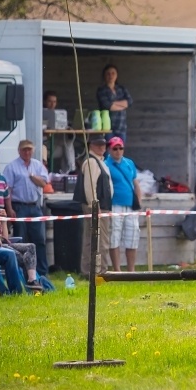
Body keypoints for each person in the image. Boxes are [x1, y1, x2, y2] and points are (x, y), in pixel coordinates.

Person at [4, 139, 50, 276]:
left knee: (40, 239)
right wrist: (9, 209)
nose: (27, 152)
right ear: (19, 151)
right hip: (19, 207)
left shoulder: (38, 165)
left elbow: (43, 184)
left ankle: (42, 271)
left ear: (33, 150)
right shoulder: (11, 167)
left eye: (29, 149)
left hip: (35, 207)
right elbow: (8, 190)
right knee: (21, 240)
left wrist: (32, 176)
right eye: (24, 149)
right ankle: (23, 270)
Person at [77, 134, 113, 278]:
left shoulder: (99, 161)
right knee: (99, 240)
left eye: (103, 144)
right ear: (91, 145)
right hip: (97, 207)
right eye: (98, 144)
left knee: (92, 239)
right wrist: (94, 204)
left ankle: (90, 271)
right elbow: (90, 186)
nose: (102, 147)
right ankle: (100, 271)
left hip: (101, 205)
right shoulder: (92, 162)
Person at [104, 136, 141, 272]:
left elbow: (136, 183)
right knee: (114, 236)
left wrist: (138, 201)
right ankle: (117, 270)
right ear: (110, 149)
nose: (118, 151)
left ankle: (131, 270)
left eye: (120, 148)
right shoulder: (106, 164)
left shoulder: (129, 163)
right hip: (115, 205)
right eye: (115, 148)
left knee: (132, 237)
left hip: (131, 205)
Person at [96, 64, 133, 142]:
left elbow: (129, 101)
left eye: (113, 73)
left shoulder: (122, 89)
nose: (111, 76)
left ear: (116, 75)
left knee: (119, 152)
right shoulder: (101, 90)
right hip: (108, 128)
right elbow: (108, 106)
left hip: (121, 127)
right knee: (108, 152)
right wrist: (123, 105)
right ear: (104, 76)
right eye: (108, 74)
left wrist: (114, 103)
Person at [43, 90, 76, 173]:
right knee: (67, 145)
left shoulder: (59, 114)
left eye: (54, 102)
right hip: (45, 148)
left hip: (55, 146)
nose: (52, 104)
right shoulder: (40, 113)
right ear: (45, 101)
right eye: (49, 101)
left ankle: (67, 173)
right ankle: (72, 169)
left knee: (67, 144)